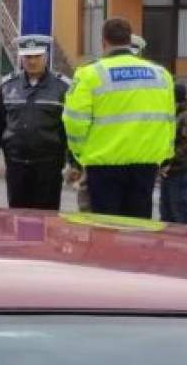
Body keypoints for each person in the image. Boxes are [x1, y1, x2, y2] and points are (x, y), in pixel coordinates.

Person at [63, 17, 176, 219]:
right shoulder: (161, 74)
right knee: (138, 227)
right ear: (129, 40)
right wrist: (165, 156)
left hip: (104, 165)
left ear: (104, 42)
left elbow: (74, 120)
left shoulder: (89, 74)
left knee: (106, 228)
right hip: (145, 165)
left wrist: (79, 154)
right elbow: (168, 120)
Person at [0, 35, 71, 210]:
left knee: (47, 219)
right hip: (16, 164)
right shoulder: (8, 86)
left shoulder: (62, 87)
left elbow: (70, 129)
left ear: (46, 57)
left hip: (49, 166)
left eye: (37, 57)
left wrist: (74, 163)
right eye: (27, 57)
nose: (32, 61)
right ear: (21, 58)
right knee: (18, 217)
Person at [159, 83, 187, 225]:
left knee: (180, 212)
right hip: (169, 172)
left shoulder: (186, 116)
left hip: (180, 171)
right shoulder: (173, 114)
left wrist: (170, 161)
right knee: (166, 212)